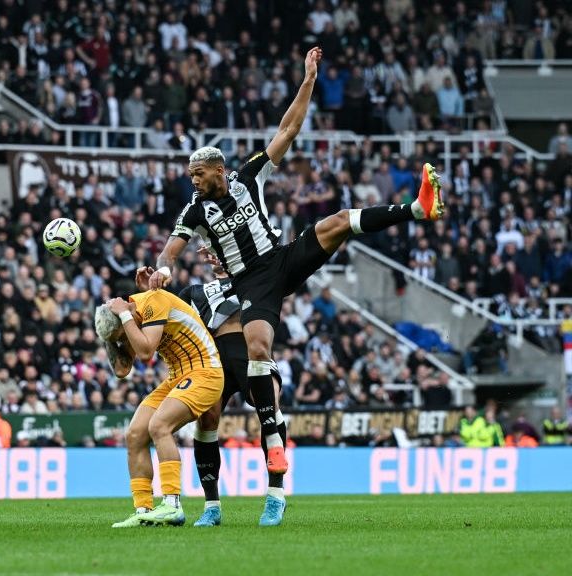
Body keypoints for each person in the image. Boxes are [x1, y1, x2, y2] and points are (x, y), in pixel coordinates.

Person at [147, 46, 445, 475]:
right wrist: (163, 270)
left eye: (199, 174)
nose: (193, 181)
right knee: (259, 346)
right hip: (251, 282)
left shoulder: (248, 176)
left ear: (218, 170)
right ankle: (272, 442)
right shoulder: (195, 211)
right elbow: (170, 249)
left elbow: (287, 130)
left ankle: (418, 209)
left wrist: (307, 80)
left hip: (281, 259)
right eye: (190, 175)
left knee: (339, 221)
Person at [161, 251, 288, 527]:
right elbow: (166, 313)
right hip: (211, 358)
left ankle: (276, 495)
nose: (216, 255)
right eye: (211, 251)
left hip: (249, 351)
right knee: (207, 419)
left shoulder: (253, 278)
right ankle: (212, 506)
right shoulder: (193, 292)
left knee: (269, 401)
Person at [99, 288, 223, 528]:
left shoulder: (153, 301)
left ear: (128, 312)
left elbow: (145, 352)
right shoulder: (128, 317)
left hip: (205, 371)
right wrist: (111, 334)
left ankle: (172, 504)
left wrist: (124, 318)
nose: (124, 341)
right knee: (135, 434)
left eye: (122, 336)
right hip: (178, 376)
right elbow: (122, 370)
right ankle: (143, 510)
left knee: (159, 425)